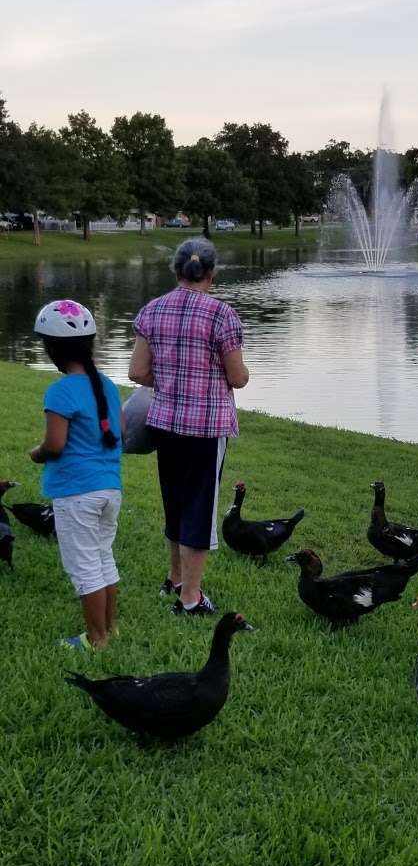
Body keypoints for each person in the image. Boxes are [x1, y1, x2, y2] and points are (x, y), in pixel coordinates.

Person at [128, 238, 249, 617]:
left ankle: (176, 578)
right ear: (210, 274)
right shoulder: (221, 315)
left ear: (176, 271)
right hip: (206, 428)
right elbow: (238, 376)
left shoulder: (152, 310)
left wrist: (170, 381)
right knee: (200, 508)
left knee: (176, 503)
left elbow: (137, 371)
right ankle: (191, 600)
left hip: (164, 423)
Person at [30, 298, 124, 649]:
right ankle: (111, 629)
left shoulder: (60, 390)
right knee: (103, 557)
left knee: (84, 567)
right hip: (110, 489)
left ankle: (96, 640)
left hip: (76, 492)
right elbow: (121, 432)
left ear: (51, 348)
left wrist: (36, 454)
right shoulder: (108, 387)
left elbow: (54, 445)